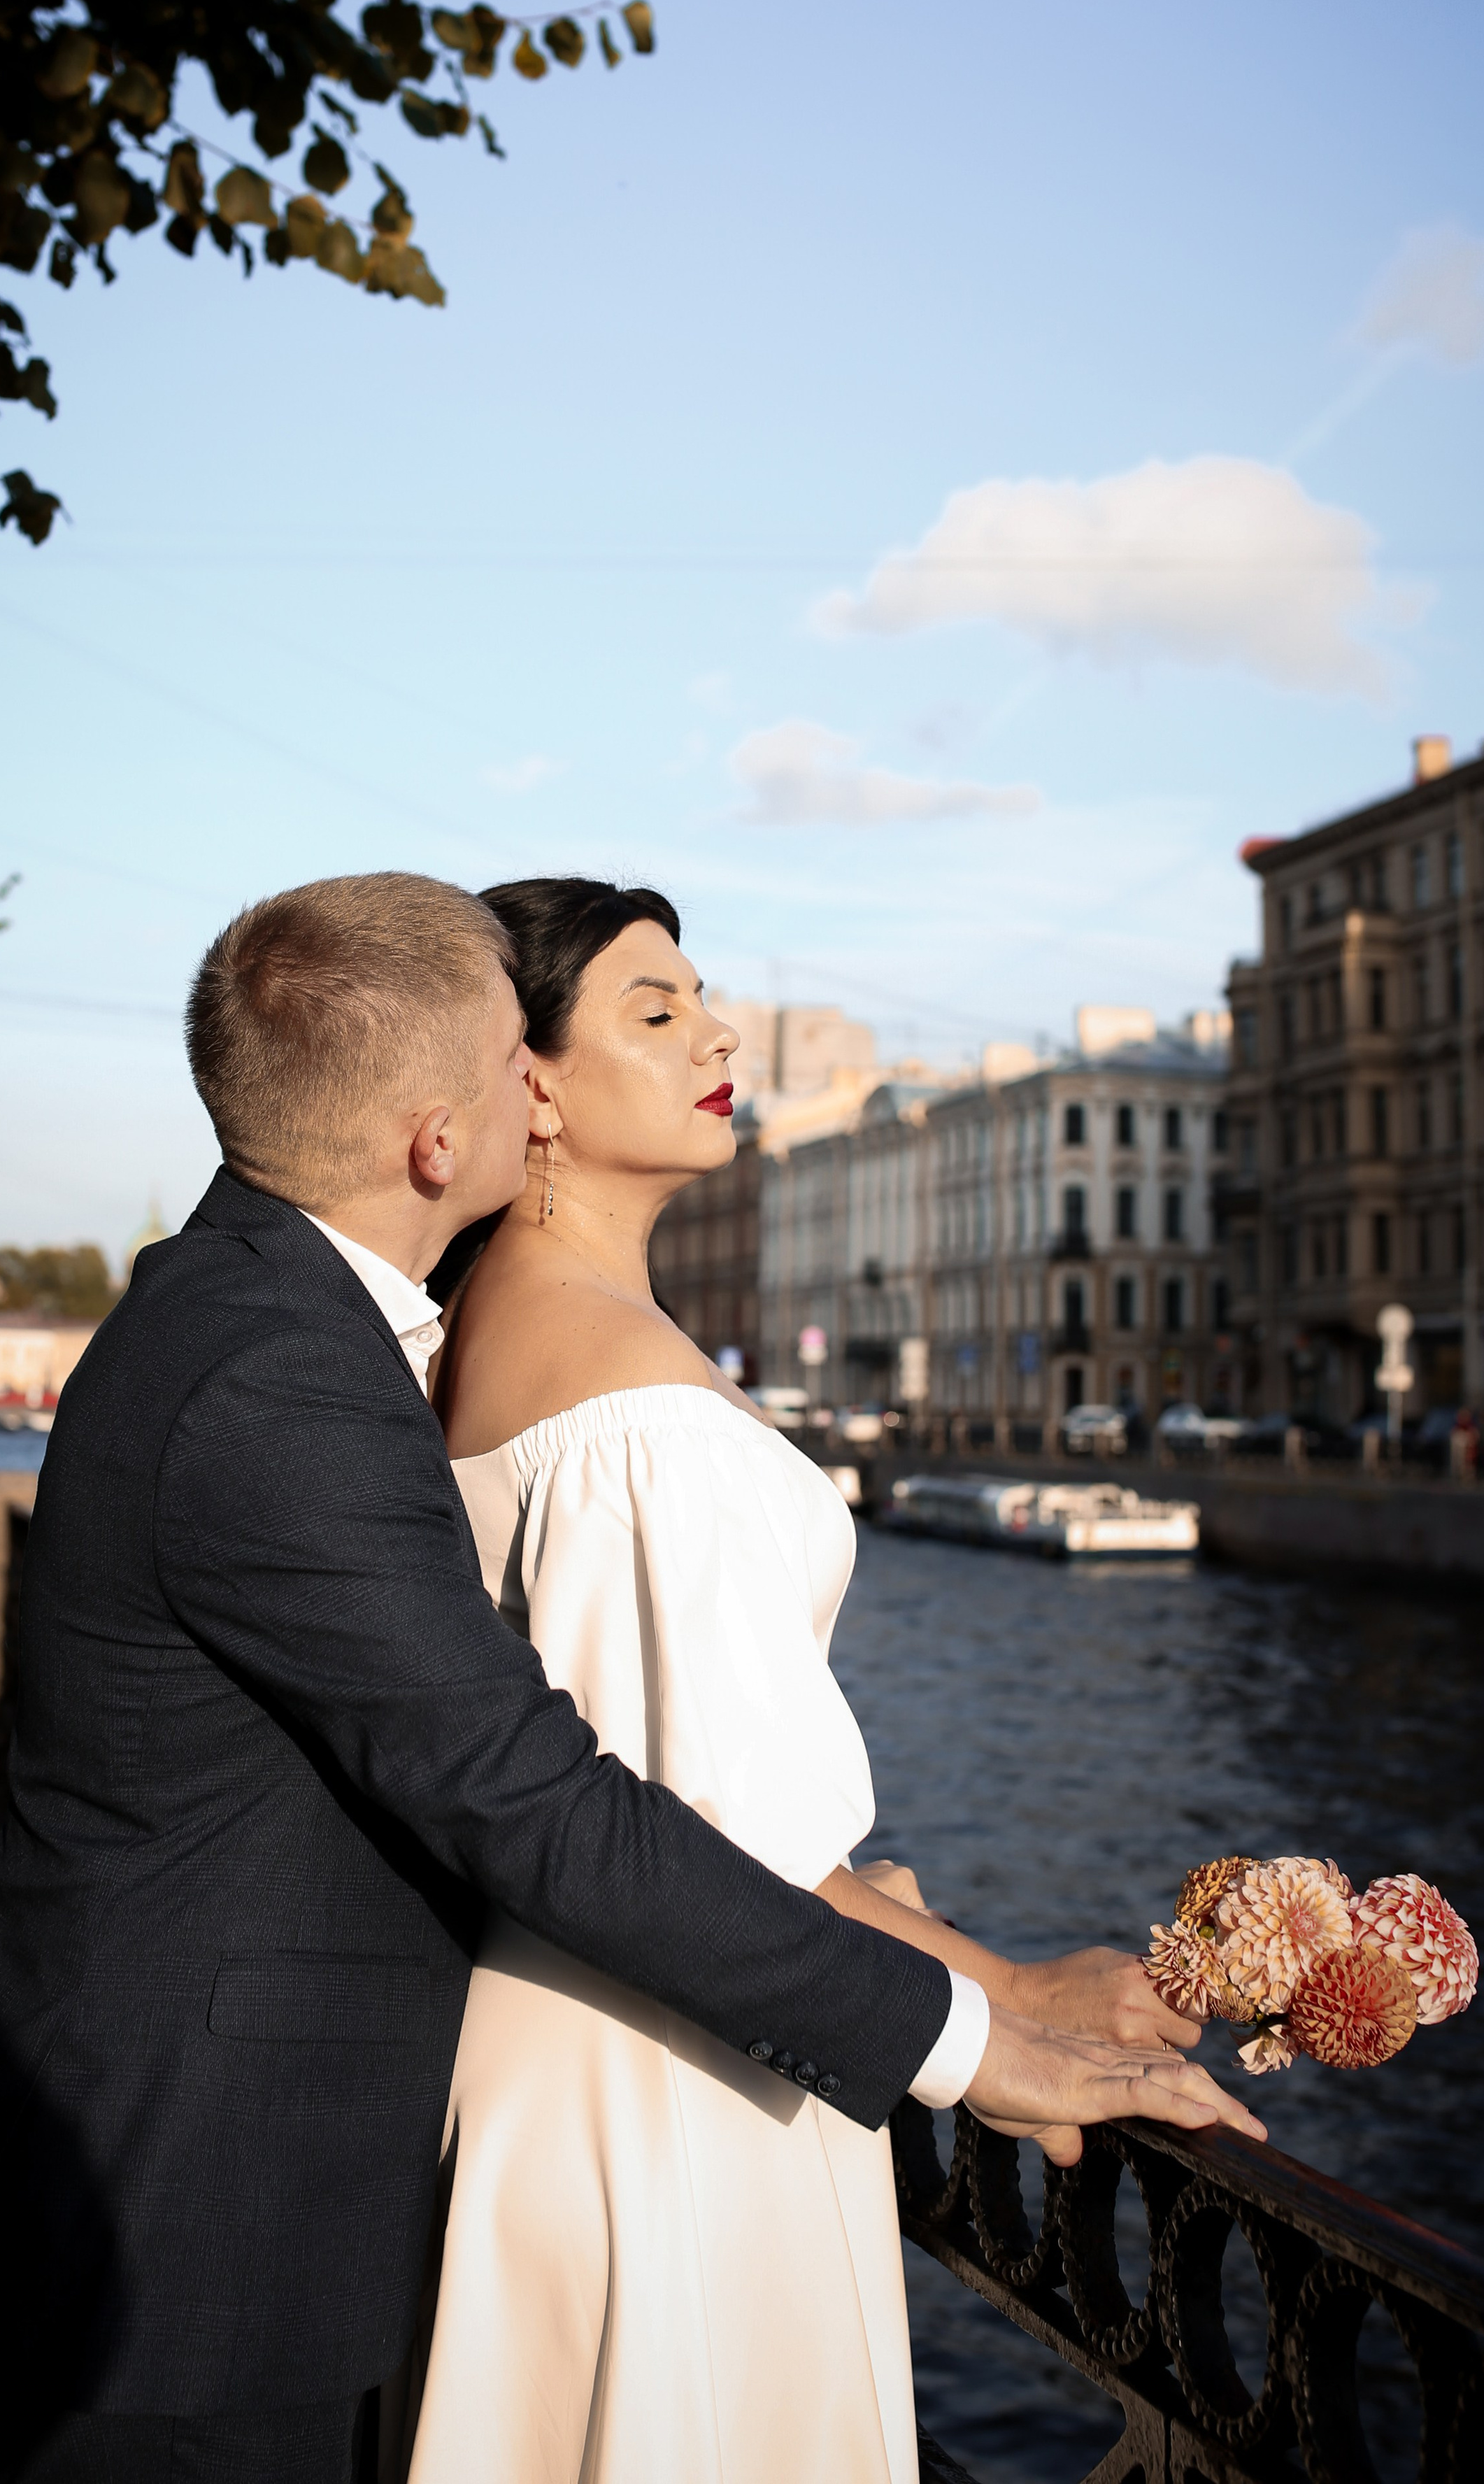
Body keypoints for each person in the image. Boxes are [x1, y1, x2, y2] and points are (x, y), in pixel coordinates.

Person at [0, 872, 1261, 2484]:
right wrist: (977, 2031)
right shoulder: (293, 1375)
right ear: (440, 1136)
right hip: (189, 2244)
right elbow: (531, 1797)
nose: (530, 1091)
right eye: (511, 1063)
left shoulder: (269, 1320)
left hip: (227, 2188)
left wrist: (856, 1907)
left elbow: (582, 1767)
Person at [406, 879, 1222, 2483]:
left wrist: (862, 1894)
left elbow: (634, 1782)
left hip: (543, 2056)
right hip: (682, 2086)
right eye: (653, 1011)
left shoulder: (495, 1337)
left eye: (702, 998)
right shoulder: (637, 1409)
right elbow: (711, 1847)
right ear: (534, 1086)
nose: (716, 1033)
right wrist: (1001, 1993)